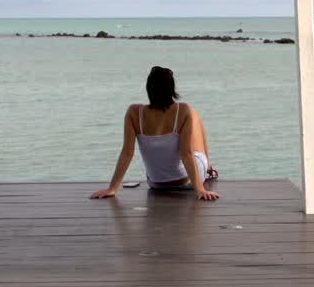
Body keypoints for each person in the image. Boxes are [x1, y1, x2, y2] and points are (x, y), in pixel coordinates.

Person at [89, 66, 221, 201]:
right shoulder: (183, 110)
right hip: (186, 181)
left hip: (156, 183)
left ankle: (206, 171)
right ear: (171, 89)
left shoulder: (134, 112)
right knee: (195, 117)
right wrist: (199, 189)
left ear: (149, 88)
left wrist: (112, 188)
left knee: (187, 128)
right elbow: (186, 154)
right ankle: (208, 170)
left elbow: (127, 153)